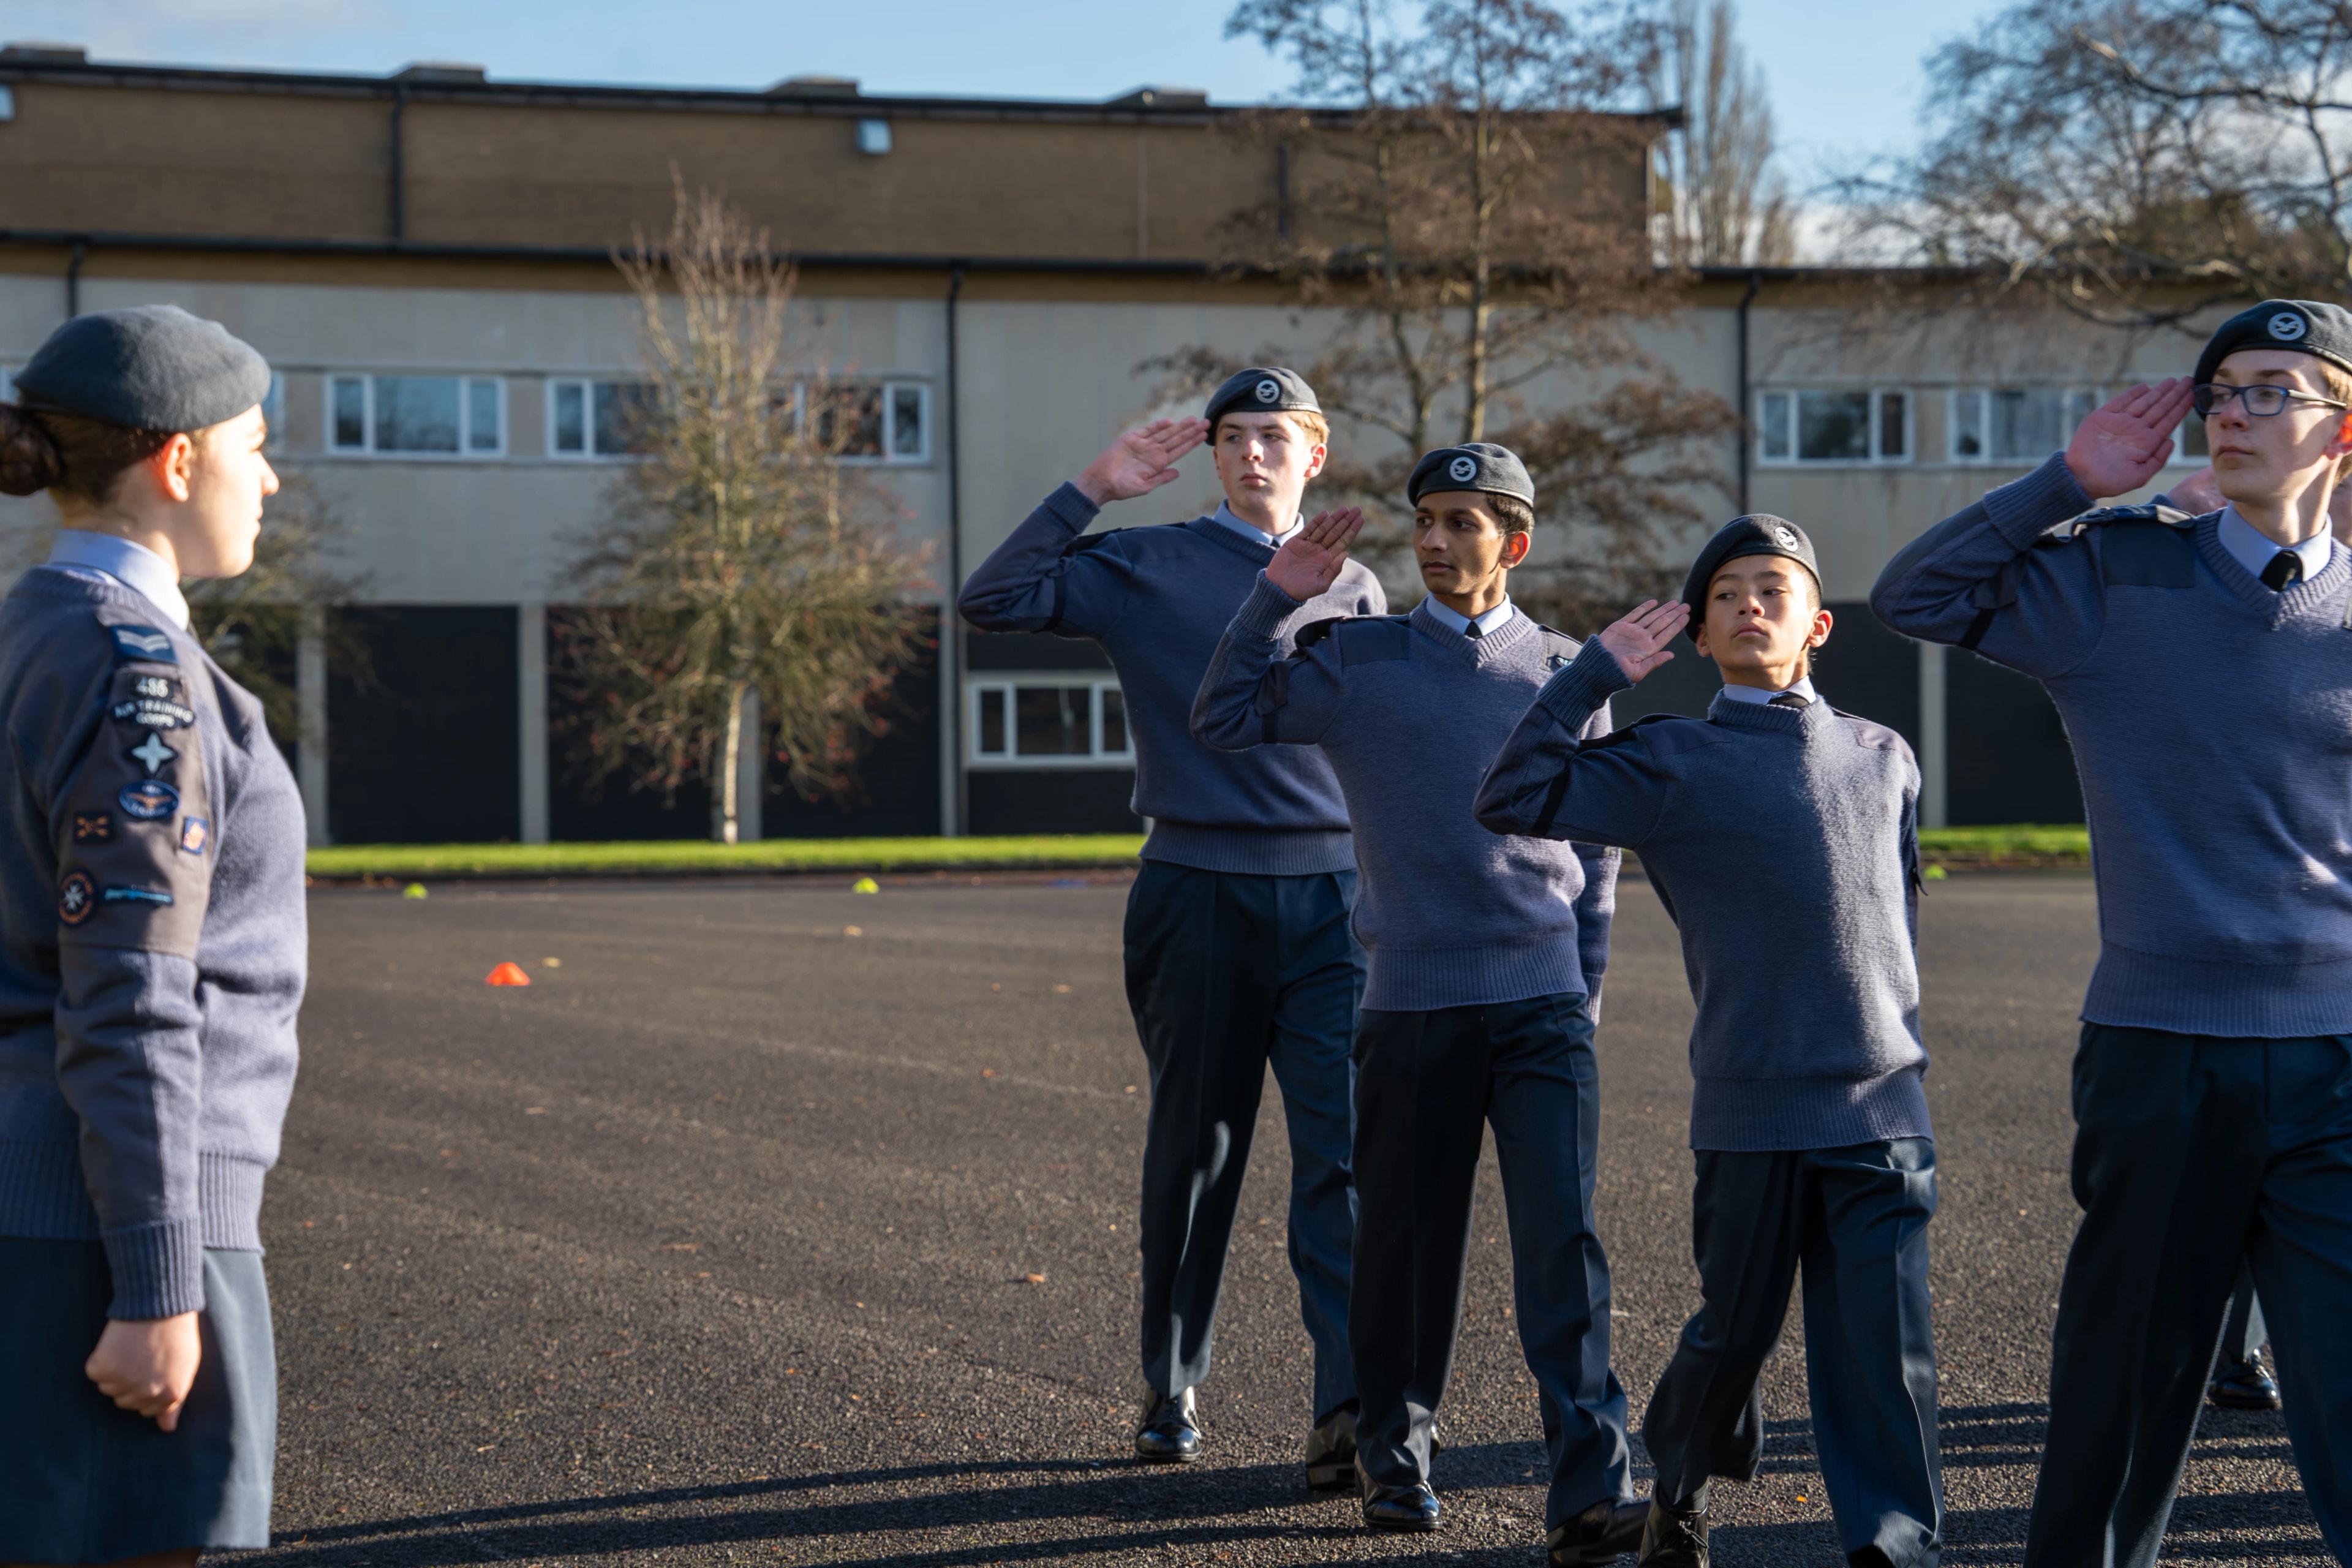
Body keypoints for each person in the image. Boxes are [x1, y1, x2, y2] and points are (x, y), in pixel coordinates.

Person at [1871, 298, 2352, 1566]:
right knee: (2121, 1405)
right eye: (2224, 388)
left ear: (2341, 428)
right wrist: (2067, 481)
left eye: (2274, 389)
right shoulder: (2115, 573)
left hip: (2342, 1059)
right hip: (2160, 1052)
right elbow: (1917, 590)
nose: (2235, 408)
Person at [1192, 445, 1646, 1565]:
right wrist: (1273, 596)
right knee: (1404, 1249)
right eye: (1425, 522)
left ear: (1516, 542)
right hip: (1409, 1007)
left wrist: (1582, 992)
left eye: (1462, 524)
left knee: (1564, 1251)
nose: (1435, 542)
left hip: (1542, 1009)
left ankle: (1592, 1491)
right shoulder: (1360, 664)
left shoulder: (1566, 670)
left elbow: (1597, 854)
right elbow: (1222, 716)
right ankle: (1398, 1463)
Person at [1477, 516, 1942, 1568]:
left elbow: (1899, 917)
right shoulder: (1667, 758)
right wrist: (1591, 676)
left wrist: (1900, 1047)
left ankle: (1896, 1547)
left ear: (1818, 622)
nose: (1748, 605)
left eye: (1771, 588)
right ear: (1699, 635)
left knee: (1886, 1356)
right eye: (1725, 594)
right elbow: (1508, 796)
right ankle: (1678, 1489)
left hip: (1883, 1111)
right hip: (1750, 1107)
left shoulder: (1886, 755)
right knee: (1731, 1338)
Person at [957, 369, 1384, 1482]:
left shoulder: (1361, 586)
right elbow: (991, 599)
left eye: (1275, 437)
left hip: (1340, 906)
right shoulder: (1146, 566)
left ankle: (1348, 1404)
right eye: (1232, 437)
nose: (1252, 454)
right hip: (1197, 893)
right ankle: (1172, 1378)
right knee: (1198, 1152)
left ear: (1315, 454)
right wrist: (1092, 487)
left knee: (1344, 1160)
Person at [0, 304, 303, 1564]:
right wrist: (158, 1283)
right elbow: (130, 994)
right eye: (255, 442)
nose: (271, 475)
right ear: (177, 460)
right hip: (111, 1228)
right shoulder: (140, 677)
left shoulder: (32, 631)